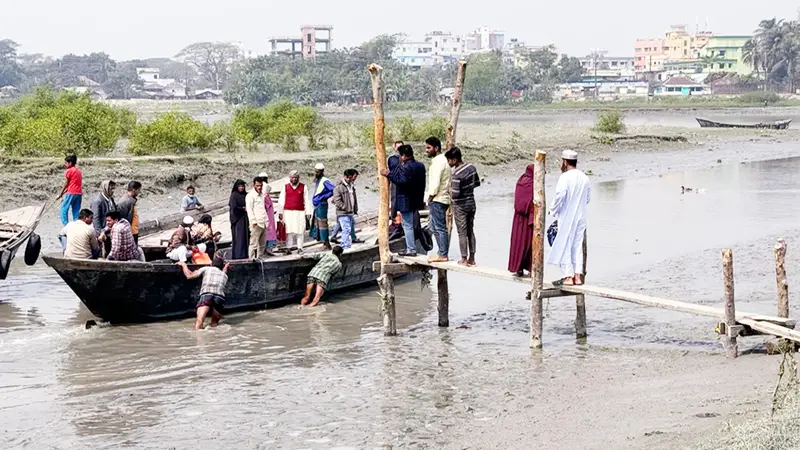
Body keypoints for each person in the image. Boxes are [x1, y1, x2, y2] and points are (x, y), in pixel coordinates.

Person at [547, 150, 591, 286]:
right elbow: (588, 198)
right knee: (577, 245)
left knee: (564, 243)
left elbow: (560, 195)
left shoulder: (564, 178)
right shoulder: (585, 177)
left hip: (567, 216)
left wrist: (553, 210)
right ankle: (578, 275)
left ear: (564, 162)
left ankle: (567, 276)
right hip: (581, 216)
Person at [381, 145, 426, 257]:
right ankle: (412, 247)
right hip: (417, 199)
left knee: (407, 224)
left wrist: (388, 174)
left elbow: (401, 180)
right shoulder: (420, 166)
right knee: (410, 223)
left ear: (404, 156)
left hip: (406, 200)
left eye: (401, 156)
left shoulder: (406, 167)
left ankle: (411, 249)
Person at [446, 147, 481, 267]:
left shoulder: (456, 174)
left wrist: (450, 190)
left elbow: (455, 194)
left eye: (449, 160)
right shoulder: (471, 167)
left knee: (462, 232)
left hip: (460, 206)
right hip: (471, 202)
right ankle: (472, 258)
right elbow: (477, 183)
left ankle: (464, 259)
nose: (448, 163)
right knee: (470, 231)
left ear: (454, 160)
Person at [177, 259, 231, 330]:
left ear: (211, 264)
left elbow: (189, 276)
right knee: (214, 324)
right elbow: (224, 271)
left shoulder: (206, 268)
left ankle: (199, 339)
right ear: (222, 267)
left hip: (207, 295)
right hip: (219, 298)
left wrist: (184, 265)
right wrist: (226, 267)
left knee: (200, 320)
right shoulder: (224, 275)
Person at [424, 136, 452, 263]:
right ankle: (442, 252)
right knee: (436, 227)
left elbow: (435, 184)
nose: (426, 150)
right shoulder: (442, 161)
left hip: (438, 198)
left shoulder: (438, 162)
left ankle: (443, 254)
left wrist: (429, 198)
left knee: (439, 228)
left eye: (429, 148)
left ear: (436, 148)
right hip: (442, 198)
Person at [508, 165, 535, 276]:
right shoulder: (532, 184)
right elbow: (531, 201)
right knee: (529, 243)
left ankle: (518, 268)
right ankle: (530, 268)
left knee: (518, 243)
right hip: (527, 218)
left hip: (517, 219)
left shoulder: (520, 181)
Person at [278, 170, 311, 254]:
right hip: (288, 212)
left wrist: (308, 212)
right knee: (289, 231)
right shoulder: (285, 187)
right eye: (292, 177)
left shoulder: (304, 187)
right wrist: (280, 212)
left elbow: (307, 200)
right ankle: (289, 248)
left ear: (298, 178)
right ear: (290, 178)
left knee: (300, 230)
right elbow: (281, 201)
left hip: (300, 212)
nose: (294, 179)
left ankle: (300, 248)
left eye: (296, 177)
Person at [310, 163, 335, 250]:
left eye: (317, 172)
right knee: (318, 223)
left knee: (322, 223)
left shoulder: (325, 180)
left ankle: (326, 243)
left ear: (321, 172)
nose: (316, 173)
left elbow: (333, 190)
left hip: (322, 204)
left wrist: (324, 197)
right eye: (315, 171)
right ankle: (323, 241)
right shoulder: (318, 180)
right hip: (317, 204)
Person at [332, 169, 359, 249]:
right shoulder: (339, 187)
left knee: (348, 228)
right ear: (349, 177)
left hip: (350, 212)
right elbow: (337, 201)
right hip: (343, 212)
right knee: (346, 229)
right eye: (354, 177)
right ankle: (345, 246)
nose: (355, 179)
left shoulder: (351, 185)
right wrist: (345, 208)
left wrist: (353, 209)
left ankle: (346, 243)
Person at [90, 180, 117, 256]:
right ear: (105, 188)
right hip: (103, 232)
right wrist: (100, 233)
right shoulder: (98, 202)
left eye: (113, 189)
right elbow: (96, 219)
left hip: (110, 230)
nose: (113, 191)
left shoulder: (110, 199)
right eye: (111, 189)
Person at [245, 176, 268, 259]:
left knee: (262, 244)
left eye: (261, 185)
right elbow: (249, 209)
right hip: (256, 223)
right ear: (253, 185)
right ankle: (251, 259)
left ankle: (260, 258)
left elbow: (262, 208)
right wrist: (253, 221)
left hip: (263, 222)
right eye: (257, 185)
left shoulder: (262, 195)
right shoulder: (250, 196)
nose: (259, 187)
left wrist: (266, 220)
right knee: (254, 243)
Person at [57, 154, 83, 226]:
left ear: (70, 163)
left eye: (66, 163)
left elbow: (66, 184)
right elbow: (73, 183)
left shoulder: (69, 171)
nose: (64, 164)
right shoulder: (78, 171)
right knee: (76, 211)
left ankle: (66, 226)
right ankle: (77, 225)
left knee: (64, 209)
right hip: (78, 193)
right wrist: (63, 193)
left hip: (71, 192)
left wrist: (60, 193)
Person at [228, 179, 250, 260]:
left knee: (246, 236)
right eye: (240, 186)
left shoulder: (246, 195)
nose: (241, 188)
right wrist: (242, 209)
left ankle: (246, 254)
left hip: (245, 218)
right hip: (238, 219)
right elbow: (233, 207)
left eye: (242, 186)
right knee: (239, 237)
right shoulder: (234, 195)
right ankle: (239, 255)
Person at [388, 141, 404, 220]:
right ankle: (394, 220)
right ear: (394, 148)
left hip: (405, 182)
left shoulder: (406, 157)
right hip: (394, 182)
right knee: (394, 200)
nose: (399, 149)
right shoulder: (391, 158)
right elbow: (389, 170)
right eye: (398, 147)